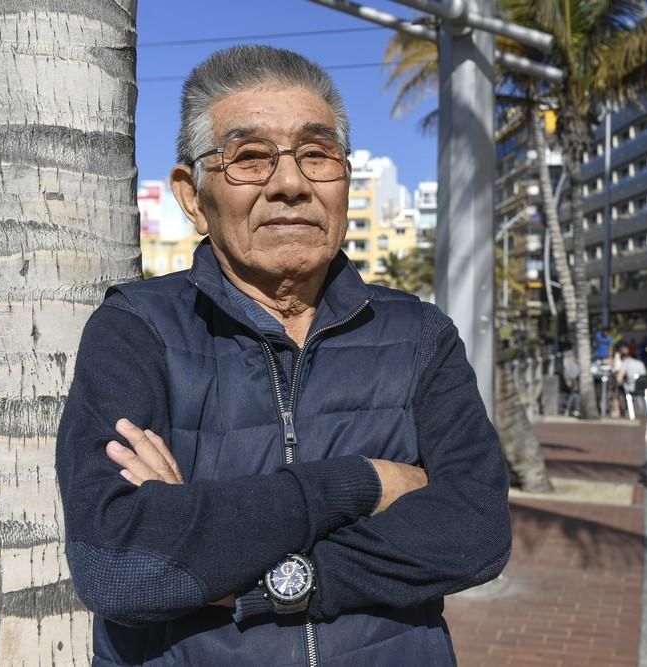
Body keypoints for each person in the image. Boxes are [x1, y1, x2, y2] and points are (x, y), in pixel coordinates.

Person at [55, 46, 511, 666]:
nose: (291, 185)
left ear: (345, 181)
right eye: (249, 159)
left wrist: (244, 571)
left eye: (317, 156)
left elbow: (476, 531)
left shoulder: (419, 334)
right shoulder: (136, 331)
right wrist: (361, 483)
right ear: (192, 197)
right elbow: (121, 567)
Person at [614, 343, 647, 418]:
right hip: (643, 388)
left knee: (618, 391)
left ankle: (619, 411)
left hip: (632, 388)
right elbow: (645, 375)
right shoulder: (641, 363)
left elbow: (619, 379)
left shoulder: (626, 363)